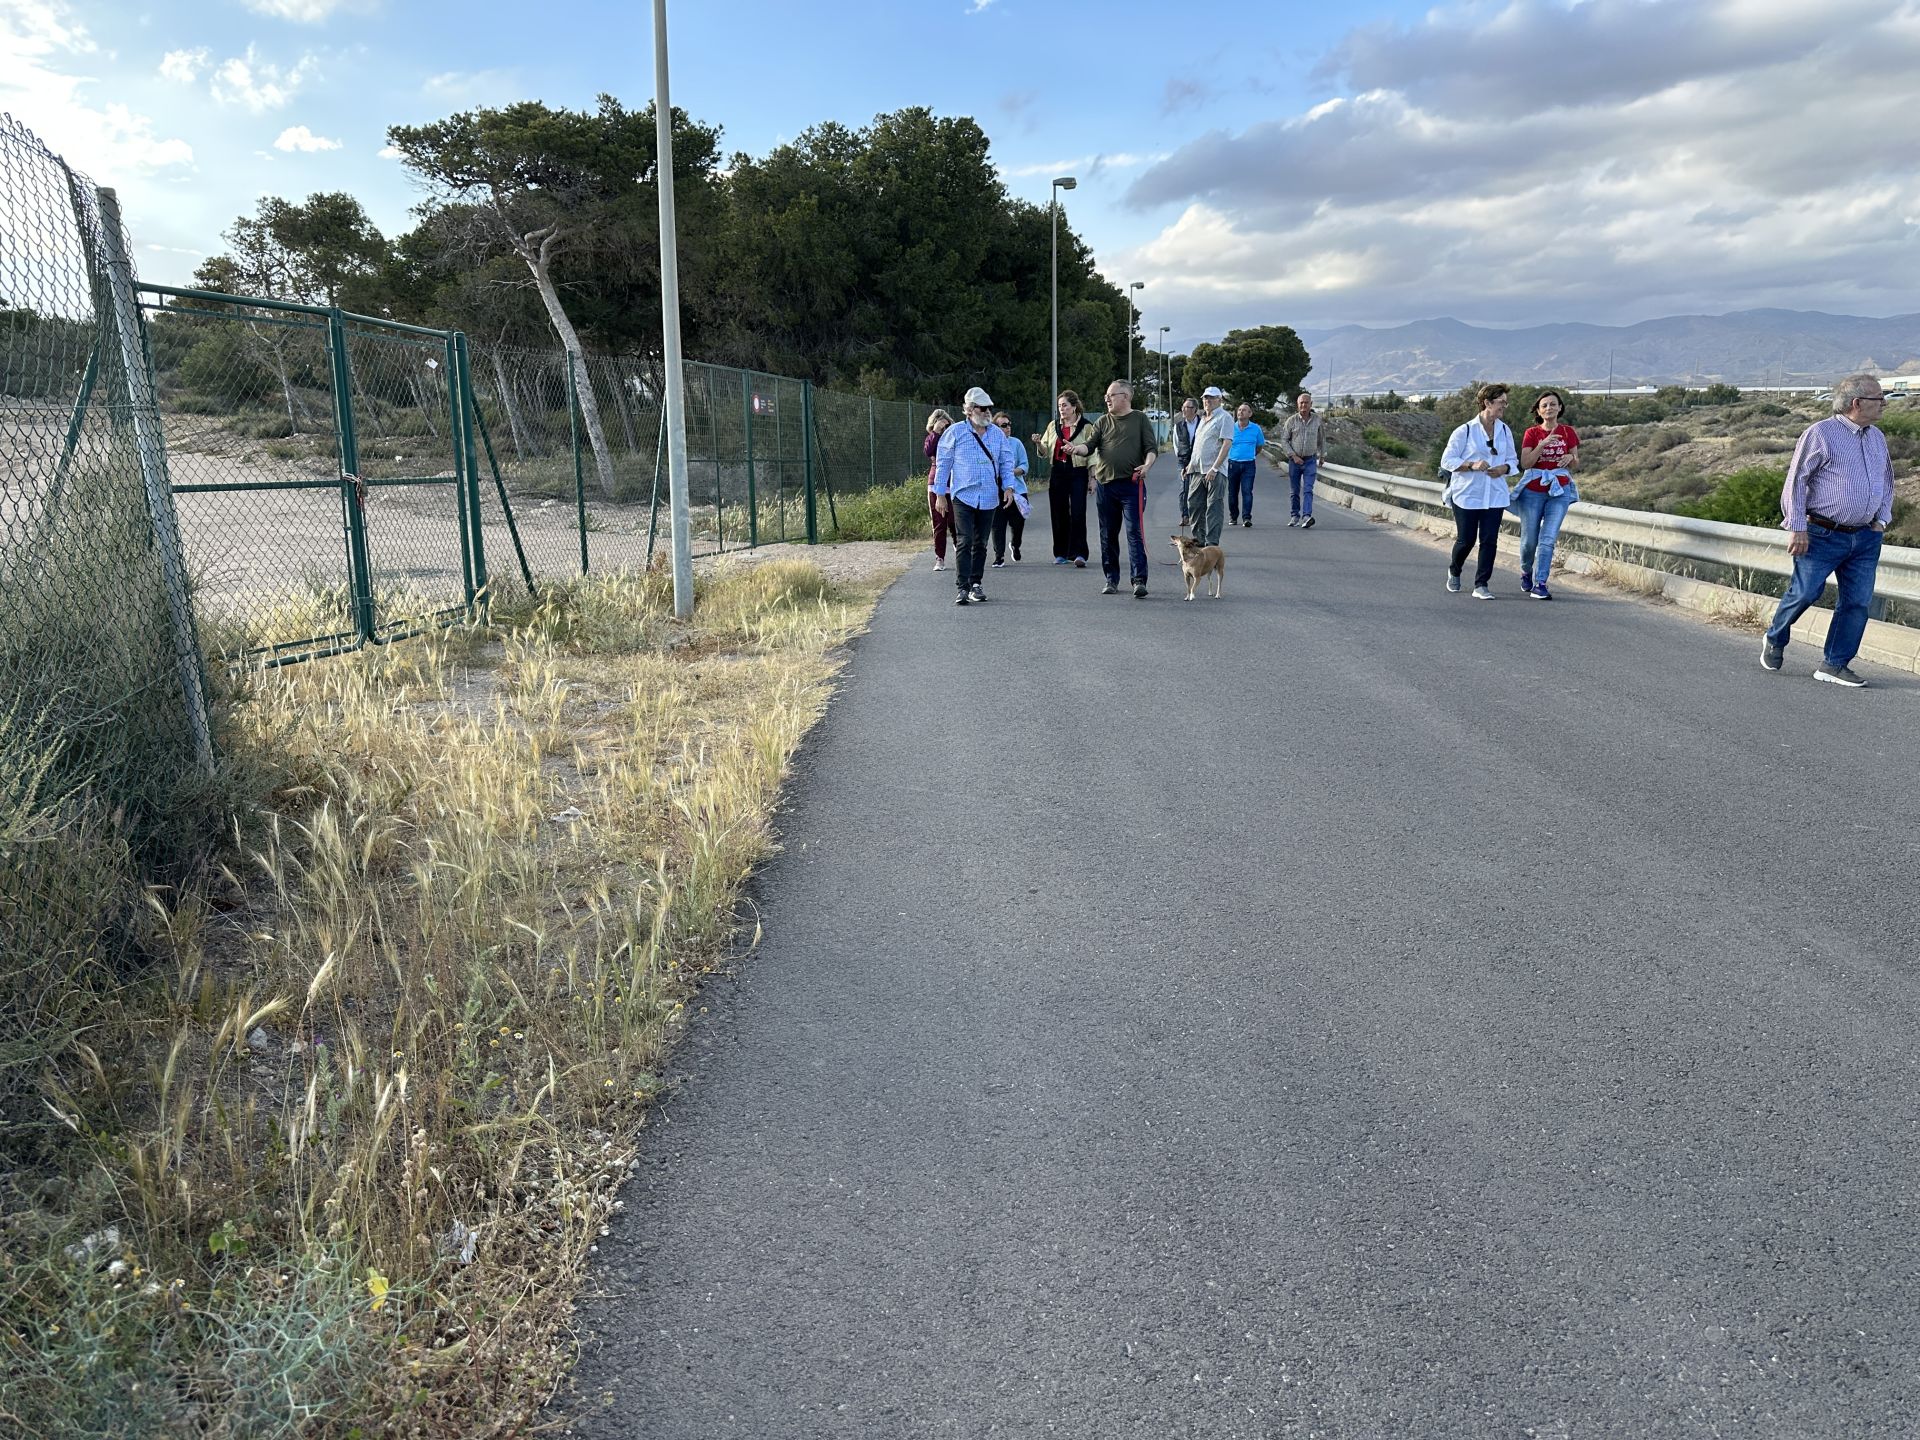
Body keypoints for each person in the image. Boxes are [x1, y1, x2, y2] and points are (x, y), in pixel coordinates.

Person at [1761, 373, 1895, 686]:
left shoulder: (1876, 436)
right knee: (1806, 592)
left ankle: (1834, 664)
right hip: (1821, 533)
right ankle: (1775, 636)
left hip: (1865, 537)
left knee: (1857, 602)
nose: (1884, 403)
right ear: (1857, 403)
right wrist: (1796, 526)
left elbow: (1887, 480)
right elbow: (1796, 481)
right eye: (1879, 398)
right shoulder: (1821, 433)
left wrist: (1882, 520)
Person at [931, 387, 1021, 606]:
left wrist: (1009, 487)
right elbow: (943, 463)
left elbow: (1006, 462)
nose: (987, 412)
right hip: (963, 495)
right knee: (965, 540)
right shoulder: (955, 432)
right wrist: (940, 494)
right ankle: (962, 587)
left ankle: (975, 584)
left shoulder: (997, 434)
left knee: (980, 542)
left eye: (989, 408)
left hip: (989, 496)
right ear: (970, 410)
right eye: (982, 408)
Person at [1070, 379, 1160, 598]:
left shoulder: (1139, 419)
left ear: (1126, 396)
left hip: (1132, 486)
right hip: (1106, 486)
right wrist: (1075, 448)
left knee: (1133, 532)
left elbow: (1151, 448)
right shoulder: (1102, 421)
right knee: (1108, 534)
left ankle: (1139, 580)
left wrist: (1147, 465)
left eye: (1111, 395)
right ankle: (1111, 578)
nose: (1107, 398)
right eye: (1106, 396)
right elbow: (1088, 446)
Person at [1439, 383, 1518, 599]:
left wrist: (1504, 468)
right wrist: (1471, 465)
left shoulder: (1504, 430)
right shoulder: (1464, 431)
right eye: (1501, 402)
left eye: (1505, 402)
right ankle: (1455, 570)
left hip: (1495, 494)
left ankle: (1481, 584)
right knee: (1467, 539)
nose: (1505, 406)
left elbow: (1513, 459)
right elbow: (1447, 460)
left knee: (1490, 540)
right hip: (1467, 495)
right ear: (1487, 403)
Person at [1515, 390, 1580, 599]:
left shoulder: (1568, 432)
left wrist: (1570, 455)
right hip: (1533, 491)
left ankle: (1541, 583)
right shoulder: (1532, 433)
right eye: (1544, 405)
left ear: (1560, 408)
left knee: (1548, 539)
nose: (1549, 408)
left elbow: (1576, 464)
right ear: (1538, 411)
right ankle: (1526, 571)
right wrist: (1542, 445)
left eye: (1553, 404)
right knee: (1529, 542)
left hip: (1559, 491)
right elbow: (1525, 463)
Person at [1034, 390, 1094, 567]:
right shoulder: (1053, 426)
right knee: (1058, 512)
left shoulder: (1086, 426)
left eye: (1065, 405)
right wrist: (1038, 443)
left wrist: (1093, 478)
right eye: (1060, 406)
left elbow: (1092, 452)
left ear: (1074, 407)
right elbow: (1045, 450)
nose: (1062, 409)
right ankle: (1061, 552)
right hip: (1058, 471)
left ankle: (1080, 553)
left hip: (1078, 471)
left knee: (1077, 512)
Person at [1183, 385, 1234, 547]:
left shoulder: (1224, 417)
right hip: (1197, 471)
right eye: (1205, 398)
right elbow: (1198, 445)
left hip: (1214, 472)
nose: (1208, 401)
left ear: (1219, 400)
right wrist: (1190, 466)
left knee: (1214, 508)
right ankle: (1199, 540)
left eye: (1211, 398)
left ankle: (1212, 544)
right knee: (1194, 505)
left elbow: (1227, 444)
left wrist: (1215, 468)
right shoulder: (1203, 419)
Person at [990, 412, 1031, 567]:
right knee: (997, 524)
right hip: (996, 490)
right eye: (1004, 425)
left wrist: (1010, 472)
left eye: (1009, 424)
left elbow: (1024, 466)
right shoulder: (990, 444)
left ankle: (1015, 544)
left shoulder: (1016, 443)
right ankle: (998, 556)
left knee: (1018, 522)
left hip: (1017, 490)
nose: (1008, 428)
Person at [1281, 390, 1323, 529]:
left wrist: (1322, 456)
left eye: (1306, 403)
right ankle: (1295, 516)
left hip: (1310, 460)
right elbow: (1284, 440)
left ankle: (1306, 516)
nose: (1304, 405)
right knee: (1295, 491)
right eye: (1301, 403)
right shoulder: (1291, 421)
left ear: (1311, 404)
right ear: (1297, 405)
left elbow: (1321, 439)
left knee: (1308, 489)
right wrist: (1293, 456)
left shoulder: (1317, 420)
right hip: (1295, 461)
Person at [923, 409, 957, 572]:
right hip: (936, 484)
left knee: (956, 522)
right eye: (940, 427)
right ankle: (940, 558)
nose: (943, 431)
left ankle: (961, 551)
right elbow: (928, 451)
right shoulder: (932, 439)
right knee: (939, 523)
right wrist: (936, 432)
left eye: (946, 427)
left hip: (956, 483)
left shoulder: (955, 436)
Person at [1225, 401, 1265, 527]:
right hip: (1233, 464)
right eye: (1239, 410)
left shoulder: (1256, 429)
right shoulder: (1231, 427)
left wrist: (1250, 455)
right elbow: (1224, 445)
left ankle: (1247, 517)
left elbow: (1259, 446)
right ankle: (1233, 516)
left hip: (1249, 464)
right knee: (1232, 492)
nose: (1240, 412)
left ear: (1250, 413)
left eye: (1244, 410)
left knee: (1247, 491)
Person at [1171, 398, 1200, 527]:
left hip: (1200, 461)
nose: (1183, 409)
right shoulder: (1178, 426)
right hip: (1184, 461)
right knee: (1184, 490)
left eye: (1187, 407)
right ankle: (1185, 516)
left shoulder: (1202, 423)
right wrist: (1182, 458)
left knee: (1199, 490)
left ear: (1194, 409)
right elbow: (1176, 445)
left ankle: (1198, 516)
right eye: (1183, 407)